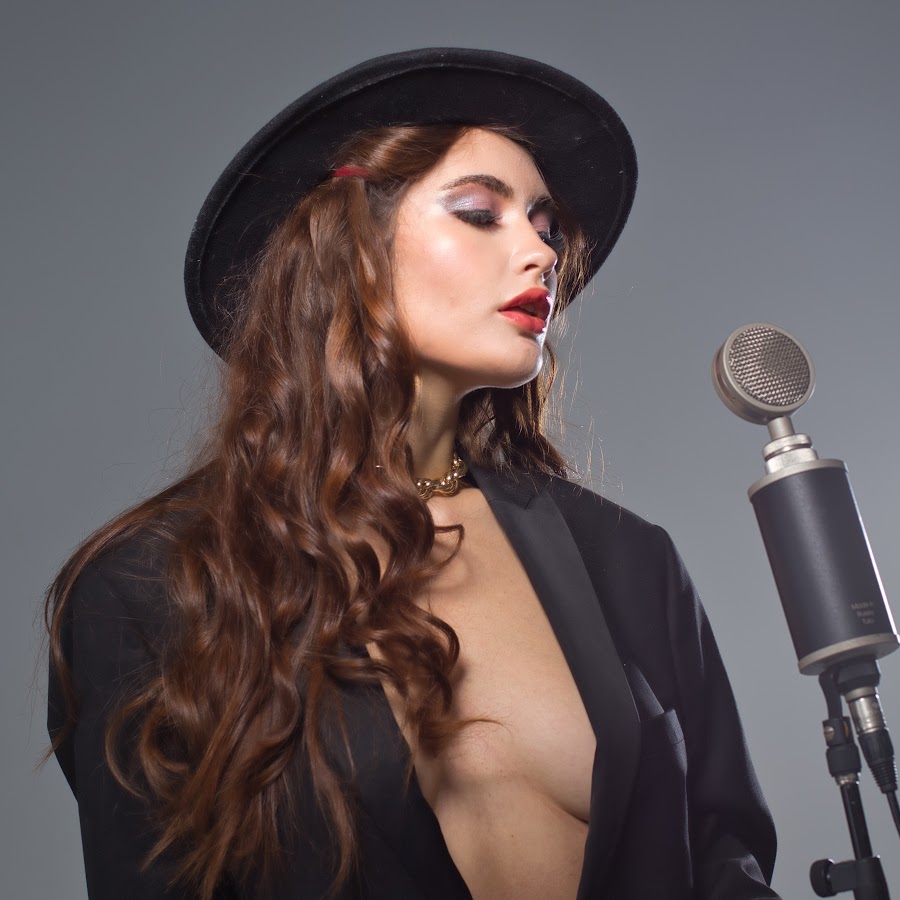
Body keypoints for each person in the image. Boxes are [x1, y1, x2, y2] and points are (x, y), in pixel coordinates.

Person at [46, 48, 780, 899]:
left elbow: (724, 861)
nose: (540, 252)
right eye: (479, 213)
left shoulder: (629, 560)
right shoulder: (155, 586)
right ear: (348, 251)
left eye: (546, 226)